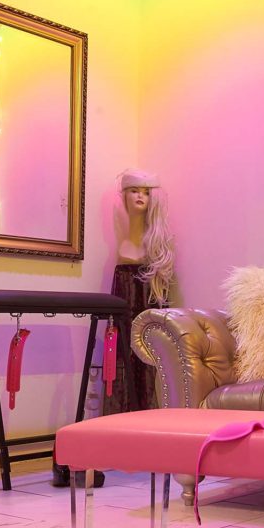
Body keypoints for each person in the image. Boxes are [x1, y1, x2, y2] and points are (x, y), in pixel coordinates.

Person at [107, 169, 177, 413]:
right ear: (124, 196)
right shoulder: (122, 246)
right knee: (123, 354)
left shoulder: (157, 248)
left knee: (150, 358)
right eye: (135, 191)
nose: (140, 197)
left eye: (146, 192)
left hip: (148, 312)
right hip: (126, 311)